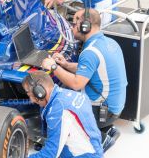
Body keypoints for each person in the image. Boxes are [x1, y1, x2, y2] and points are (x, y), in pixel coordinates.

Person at [41, 8, 126, 150]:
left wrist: (54, 67)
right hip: (113, 108)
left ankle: (98, 138)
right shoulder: (109, 42)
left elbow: (76, 83)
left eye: (74, 23)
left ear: (85, 27)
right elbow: (89, 68)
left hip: (102, 113)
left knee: (55, 101)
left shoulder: (90, 52)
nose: (71, 27)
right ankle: (105, 130)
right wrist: (65, 65)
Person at [12, 70, 103, 158]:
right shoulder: (69, 94)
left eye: (29, 94)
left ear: (40, 92)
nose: (31, 100)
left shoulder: (59, 110)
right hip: (90, 152)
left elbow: (50, 154)